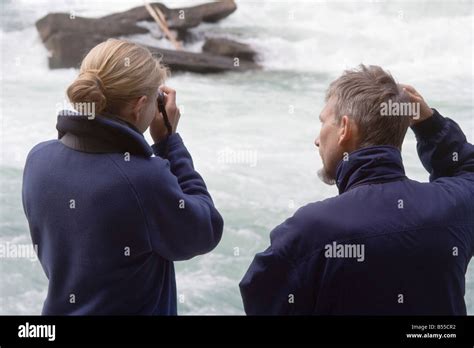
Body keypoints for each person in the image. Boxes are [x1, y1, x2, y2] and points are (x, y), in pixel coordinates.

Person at [240, 65, 474, 315]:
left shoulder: (308, 230)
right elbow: (467, 169)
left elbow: (261, 302)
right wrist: (430, 126)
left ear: (344, 128)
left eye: (323, 122)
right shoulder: (451, 210)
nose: (317, 140)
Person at [22, 39, 223, 315]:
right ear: (139, 106)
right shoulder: (143, 180)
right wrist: (169, 144)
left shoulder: (38, 160)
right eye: (155, 100)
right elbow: (206, 230)